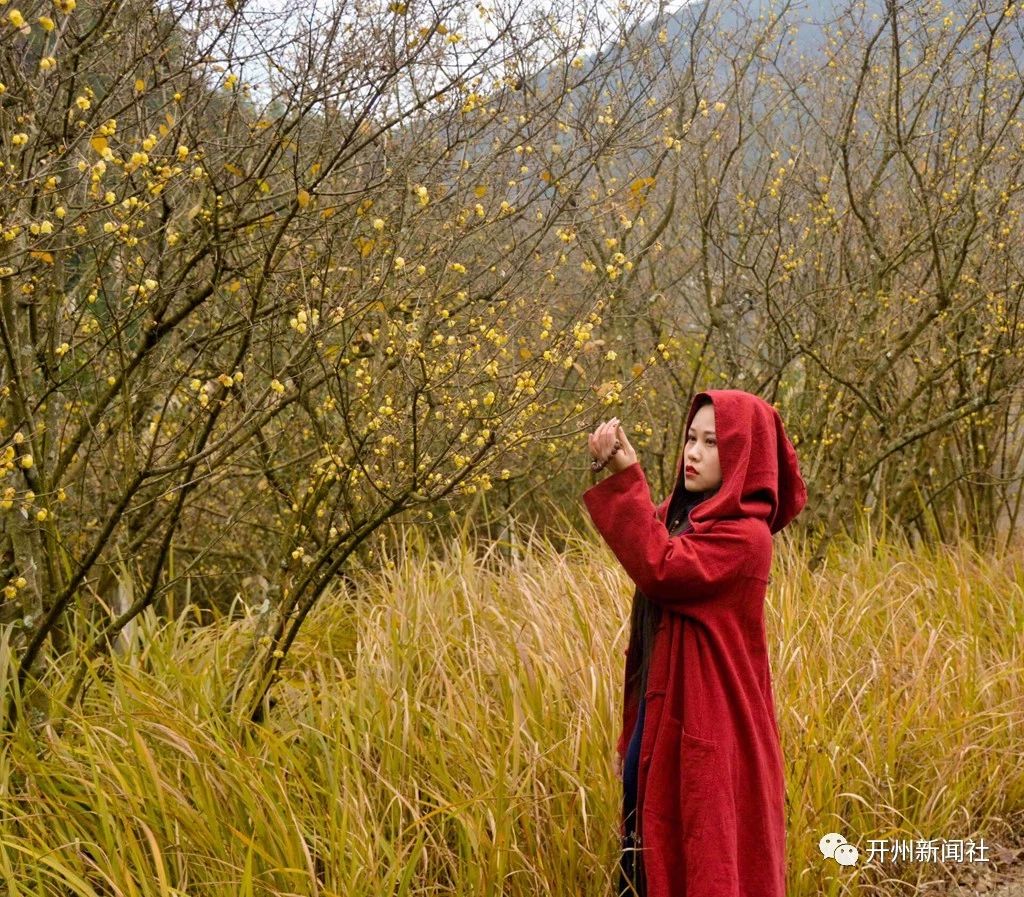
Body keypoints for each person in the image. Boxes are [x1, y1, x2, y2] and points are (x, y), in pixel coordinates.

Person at [583, 390, 807, 897]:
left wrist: (626, 479)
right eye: (690, 438)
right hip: (660, 727)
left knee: (702, 868)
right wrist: (619, 467)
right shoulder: (684, 519)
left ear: (743, 455)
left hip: (712, 735)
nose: (694, 452)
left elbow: (661, 566)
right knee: (646, 862)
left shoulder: (746, 539)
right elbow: (650, 542)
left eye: (712, 442)